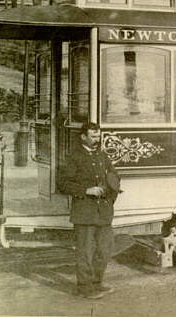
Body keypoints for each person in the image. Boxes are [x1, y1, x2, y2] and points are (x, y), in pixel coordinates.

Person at [58, 122, 121, 299]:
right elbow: (62, 183)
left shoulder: (102, 156)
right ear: (83, 137)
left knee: (105, 250)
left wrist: (111, 195)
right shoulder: (74, 157)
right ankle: (84, 288)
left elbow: (115, 177)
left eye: (98, 135)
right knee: (85, 252)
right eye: (93, 136)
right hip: (84, 211)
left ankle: (97, 283)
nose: (97, 139)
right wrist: (86, 190)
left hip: (104, 212)